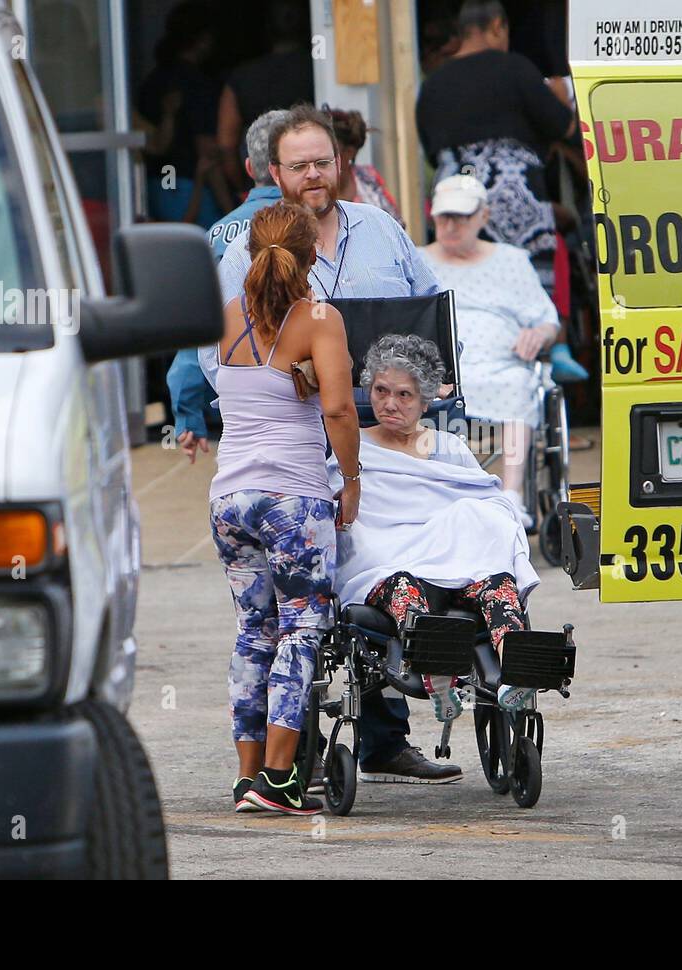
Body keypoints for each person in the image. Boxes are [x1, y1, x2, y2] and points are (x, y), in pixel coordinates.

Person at [211, 104, 460, 786]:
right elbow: (224, 366)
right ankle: (300, 761)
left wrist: (432, 389)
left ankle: (377, 742)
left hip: (378, 440)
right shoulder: (245, 254)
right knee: (310, 619)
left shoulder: (381, 230)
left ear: (341, 163)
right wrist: (302, 396)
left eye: (324, 161)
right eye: (300, 165)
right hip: (307, 457)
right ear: (275, 173)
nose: (315, 174)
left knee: (381, 578)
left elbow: (430, 312)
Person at [212, 201, 360, 816]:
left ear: (253, 252)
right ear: (313, 254)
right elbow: (338, 409)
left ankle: (248, 777)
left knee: (254, 630)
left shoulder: (227, 316)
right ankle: (280, 779)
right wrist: (350, 479)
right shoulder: (320, 319)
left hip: (229, 500)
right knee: (302, 628)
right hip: (291, 501)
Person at [327, 334, 541, 731]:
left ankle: (519, 671)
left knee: (494, 576)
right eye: (381, 391)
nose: (390, 404)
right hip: (390, 560)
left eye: (404, 395)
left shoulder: (448, 446)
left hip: (455, 558)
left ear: (426, 401)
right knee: (402, 582)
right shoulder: (352, 447)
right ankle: (438, 674)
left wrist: (469, 525)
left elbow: (485, 499)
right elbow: (347, 517)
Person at [415, 1, 586, 381]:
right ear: (497, 26)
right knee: (530, 279)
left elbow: (430, 148)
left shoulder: (433, 86)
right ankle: (552, 345)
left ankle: (468, 352)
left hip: (458, 202)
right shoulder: (517, 69)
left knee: (465, 282)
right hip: (517, 200)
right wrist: (560, 99)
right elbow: (566, 129)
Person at [420, 173, 559, 526]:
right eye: (443, 216)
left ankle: (511, 497)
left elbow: (547, 319)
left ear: (484, 216)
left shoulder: (512, 260)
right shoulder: (418, 260)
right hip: (440, 370)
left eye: (462, 216)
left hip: (501, 366)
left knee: (517, 385)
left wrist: (539, 335)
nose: (450, 225)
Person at [170, 108, 290, 463]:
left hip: (242, 405)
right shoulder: (318, 229)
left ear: (250, 170)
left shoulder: (216, 235)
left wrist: (188, 414)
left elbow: (198, 332)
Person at [137, 0, 233, 227]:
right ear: (203, 39)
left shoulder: (152, 82)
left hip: (155, 188)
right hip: (188, 190)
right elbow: (206, 152)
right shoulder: (198, 85)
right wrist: (232, 211)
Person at [215, 0, 314, 192]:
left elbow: (226, 145)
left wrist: (242, 190)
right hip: (306, 186)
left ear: (266, 28)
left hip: (259, 184)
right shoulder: (320, 72)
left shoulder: (242, 77)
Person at [327, 107, 403, 225]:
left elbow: (396, 224)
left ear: (349, 152)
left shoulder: (368, 178)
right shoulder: (311, 186)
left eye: (328, 152)